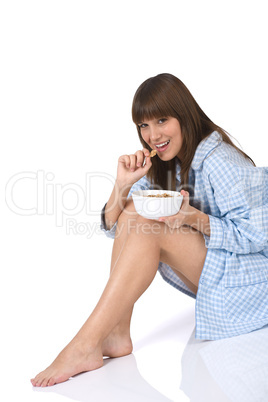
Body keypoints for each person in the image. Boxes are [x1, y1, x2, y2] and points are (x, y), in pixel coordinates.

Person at [31, 73, 268, 387]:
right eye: (144, 125)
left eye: (161, 121)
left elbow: (259, 236)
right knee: (135, 211)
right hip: (219, 270)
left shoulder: (222, 161)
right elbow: (118, 227)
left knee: (149, 225)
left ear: (184, 117)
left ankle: (84, 344)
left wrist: (193, 218)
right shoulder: (168, 162)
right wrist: (123, 184)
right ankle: (115, 332)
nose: (152, 135)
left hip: (254, 280)